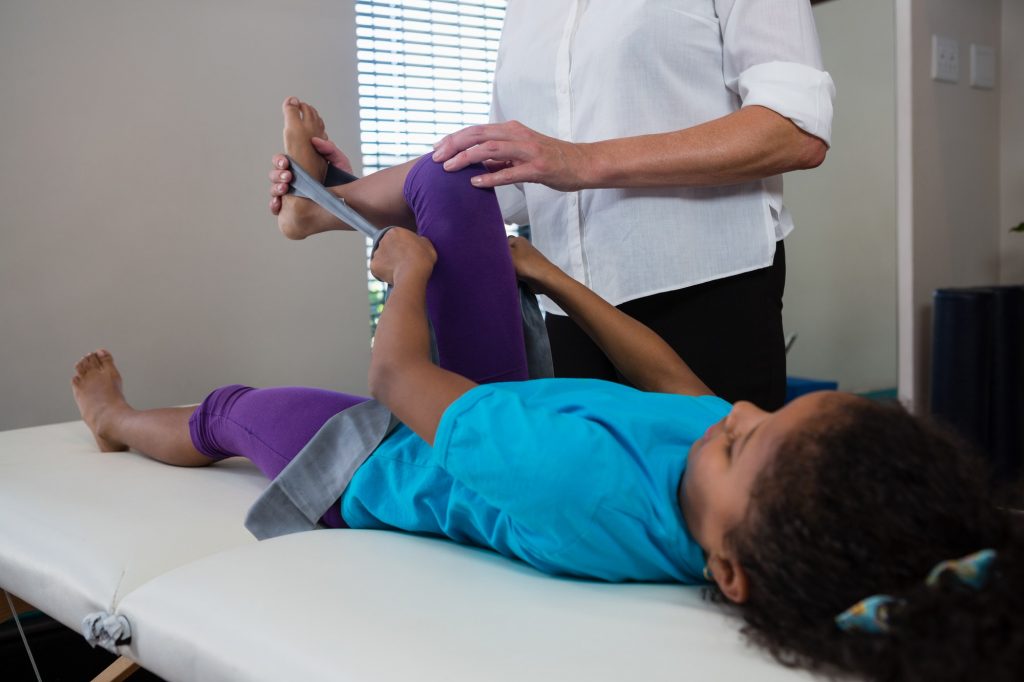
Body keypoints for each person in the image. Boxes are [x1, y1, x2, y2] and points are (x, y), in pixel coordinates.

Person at [76, 103, 1021, 681]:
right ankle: (323, 201)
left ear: (730, 572)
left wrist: (402, 276)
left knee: (232, 412)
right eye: (763, 412)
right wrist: (554, 277)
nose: (737, 414)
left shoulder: (579, 481)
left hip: (393, 456)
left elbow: (397, 380)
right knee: (460, 177)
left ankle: (115, 419)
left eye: (745, 440)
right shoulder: (722, 455)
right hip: (497, 402)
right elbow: (671, 380)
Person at [271, 2, 837, 410]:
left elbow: (794, 128)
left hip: (702, 287)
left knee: (711, 532)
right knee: (572, 530)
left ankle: (325, 203)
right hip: (567, 306)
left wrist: (578, 160)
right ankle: (326, 203)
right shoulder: (529, 11)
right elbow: (518, 180)